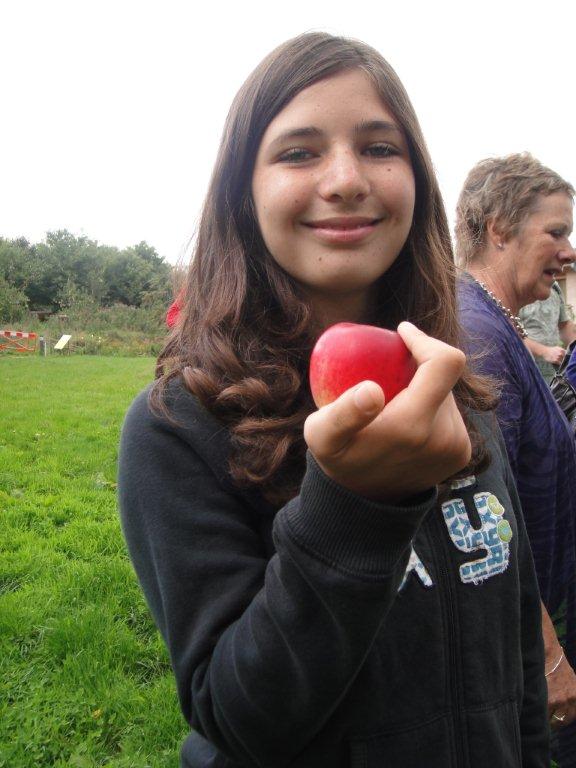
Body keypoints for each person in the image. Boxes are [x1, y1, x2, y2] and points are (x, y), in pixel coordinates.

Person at [119, 35, 549, 767]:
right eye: (298, 152)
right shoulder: (179, 427)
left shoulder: (452, 388)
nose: (347, 179)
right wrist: (354, 504)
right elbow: (239, 716)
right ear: (242, 194)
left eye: (381, 147)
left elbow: (514, 652)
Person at [456, 152, 576, 767]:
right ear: (500, 228)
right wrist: (549, 655)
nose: (569, 250)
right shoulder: (476, 334)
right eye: (556, 231)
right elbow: (483, 520)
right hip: (507, 638)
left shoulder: (495, 320)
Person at [520, 280, 576, 383]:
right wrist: (544, 351)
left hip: (553, 375)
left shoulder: (554, 286)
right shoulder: (517, 284)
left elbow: (564, 326)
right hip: (524, 373)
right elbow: (509, 332)